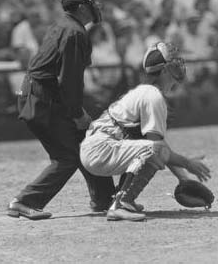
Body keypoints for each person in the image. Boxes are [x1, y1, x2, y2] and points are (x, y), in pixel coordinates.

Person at [8, 0, 117, 220]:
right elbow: (69, 80)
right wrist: (77, 113)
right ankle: (24, 201)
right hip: (44, 102)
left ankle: (106, 199)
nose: (97, 5)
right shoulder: (75, 32)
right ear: (81, 7)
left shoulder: (65, 25)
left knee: (86, 143)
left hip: (44, 98)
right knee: (67, 158)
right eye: (93, 1)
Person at [80, 42, 211, 221]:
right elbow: (158, 149)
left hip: (100, 147)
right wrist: (187, 164)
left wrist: (182, 177)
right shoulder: (152, 96)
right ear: (164, 71)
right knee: (156, 150)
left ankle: (123, 200)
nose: (179, 66)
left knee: (154, 149)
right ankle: (120, 203)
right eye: (173, 63)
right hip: (101, 149)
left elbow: (156, 146)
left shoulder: (147, 92)